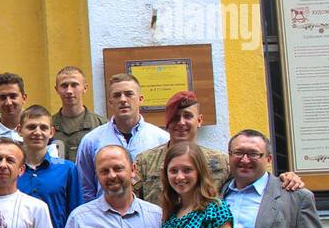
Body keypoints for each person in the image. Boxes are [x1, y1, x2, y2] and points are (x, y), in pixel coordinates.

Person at [76, 73, 169, 201]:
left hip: (150, 217)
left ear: (140, 99)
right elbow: (84, 187)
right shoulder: (92, 141)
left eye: (129, 94)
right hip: (104, 217)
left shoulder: (161, 139)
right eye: (117, 95)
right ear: (110, 102)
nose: (123, 99)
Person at [135, 92, 231, 203]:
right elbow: (132, 201)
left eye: (188, 116)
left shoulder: (221, 162)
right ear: (167, 121)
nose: (181, 122)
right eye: (175, 117)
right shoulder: (145, 162)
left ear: (199, 120)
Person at [0, 72, 59, 192]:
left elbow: (53, 173)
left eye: (13, 96)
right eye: (3, 97)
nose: (8, 102)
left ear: (24, 98)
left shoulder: (41, 135)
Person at [16, 106, 82, 228]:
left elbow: (76, 216)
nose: (37, 132)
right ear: (20, 130)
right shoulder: (11, 171)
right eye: (31, 127)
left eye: (43, 127)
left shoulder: (67, 170)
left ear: (51, 132)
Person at [51, 67, 106, 162]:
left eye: (74, 85)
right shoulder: (47, 126)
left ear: (85, 88)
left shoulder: (102, 126)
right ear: (57, 89)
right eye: (64, 86)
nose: (69, 91)